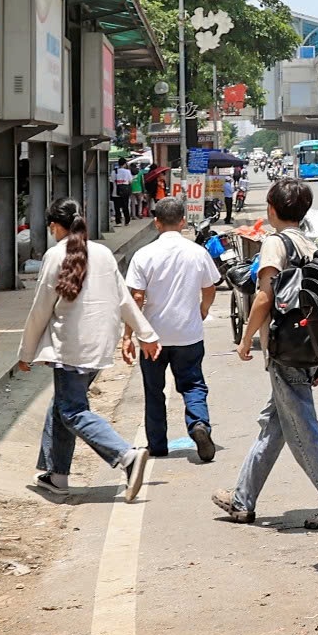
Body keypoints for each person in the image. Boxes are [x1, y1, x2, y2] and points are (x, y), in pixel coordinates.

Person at [214, 176, 318, 527]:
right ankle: (242, 500)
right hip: (307, 349)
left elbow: (264, 295)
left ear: (271, 208)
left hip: (286, 351)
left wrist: (246, 337)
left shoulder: (276, 244)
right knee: (274, 425)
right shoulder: (308, 243)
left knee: (303, 430)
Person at [17, 200, 158, 500]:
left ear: (56, 225)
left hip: (71, 347)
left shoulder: (55, 255)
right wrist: (145, 334)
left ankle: (125, 455)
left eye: (51, 226)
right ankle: (57, 475)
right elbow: (123, 299)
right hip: (99, 345)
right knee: (62, 405)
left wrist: (26, 353)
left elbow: (40, 309)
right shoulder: (104, 253)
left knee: (72, 410)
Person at [123, 195, 218, 461]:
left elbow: (136, 299)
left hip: (152, 338)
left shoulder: (143, 255)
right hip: (188, 335)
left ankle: (157, 444)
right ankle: (199, 424)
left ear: (156, 223)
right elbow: (209, 288)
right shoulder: (197, 252)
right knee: (193, 384)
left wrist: (128, 335)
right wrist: (203, 308)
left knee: (154, 390)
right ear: (183, 221)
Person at [109, 160, 134, 227]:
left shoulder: (114, 172)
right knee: (125, 207)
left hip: (115, 192)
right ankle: (127, 221)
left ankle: (118, 222)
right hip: (125, 192)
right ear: (125, 164)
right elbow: (130, 181)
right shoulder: (127, 172)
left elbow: (111, 181)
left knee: (117, 208)